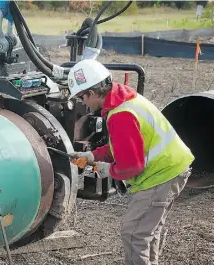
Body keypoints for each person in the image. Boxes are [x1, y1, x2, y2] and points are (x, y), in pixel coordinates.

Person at [67, 59, 194, 265]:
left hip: (161, 174)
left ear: (91, 93)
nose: (83, 103)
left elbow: (132, 166)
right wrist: (94, 156)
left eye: (81, 97)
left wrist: (107, 169)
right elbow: (124, 144)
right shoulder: (122, 99)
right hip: (172, 167)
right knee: (147, 232)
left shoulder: (120, 115)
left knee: (134, 233)